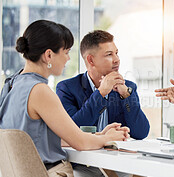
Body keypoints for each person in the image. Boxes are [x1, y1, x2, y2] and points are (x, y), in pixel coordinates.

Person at [0, 20, 129, 177]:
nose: (68, 59)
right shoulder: (39, 90)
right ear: (49, 55)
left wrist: (100, 135)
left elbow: (43, 139)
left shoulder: (11, 85)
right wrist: (108, 138)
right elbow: (80, 142)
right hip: (51, 172)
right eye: (66, 52)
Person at [56, 30, 150, 140]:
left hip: (115, 155)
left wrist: (126, 95)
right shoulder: (67, 88)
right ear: (91, 60)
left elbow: (141, 133)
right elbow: (72, 130)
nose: (117, 60)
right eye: (109, 54)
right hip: (80, 156)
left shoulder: (128, 87)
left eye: (116, 53)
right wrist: (101, 93)